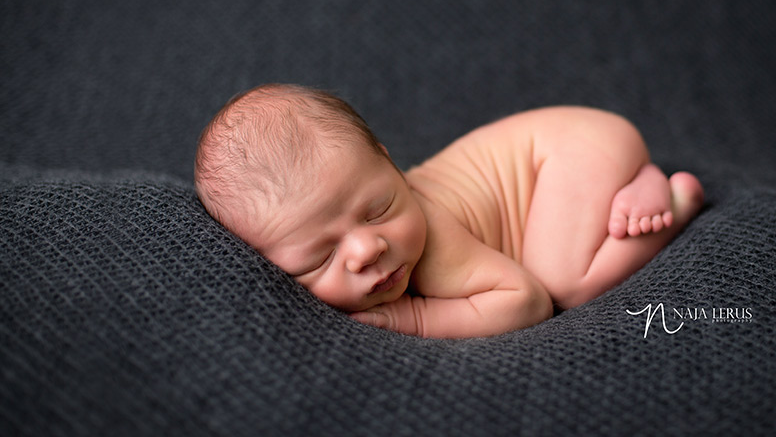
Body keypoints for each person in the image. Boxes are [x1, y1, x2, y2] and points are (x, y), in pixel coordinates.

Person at [194, 83, 704, 338]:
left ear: (391, 166)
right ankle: (632, 186)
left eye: (379, 209)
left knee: (562, 282)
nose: (369, 248)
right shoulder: (379, 234)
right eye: (318, 258)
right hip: (575, 153)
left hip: (574, 150)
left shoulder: (432, 243)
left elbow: (526, 302)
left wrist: (414, 316)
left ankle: (672, 199)